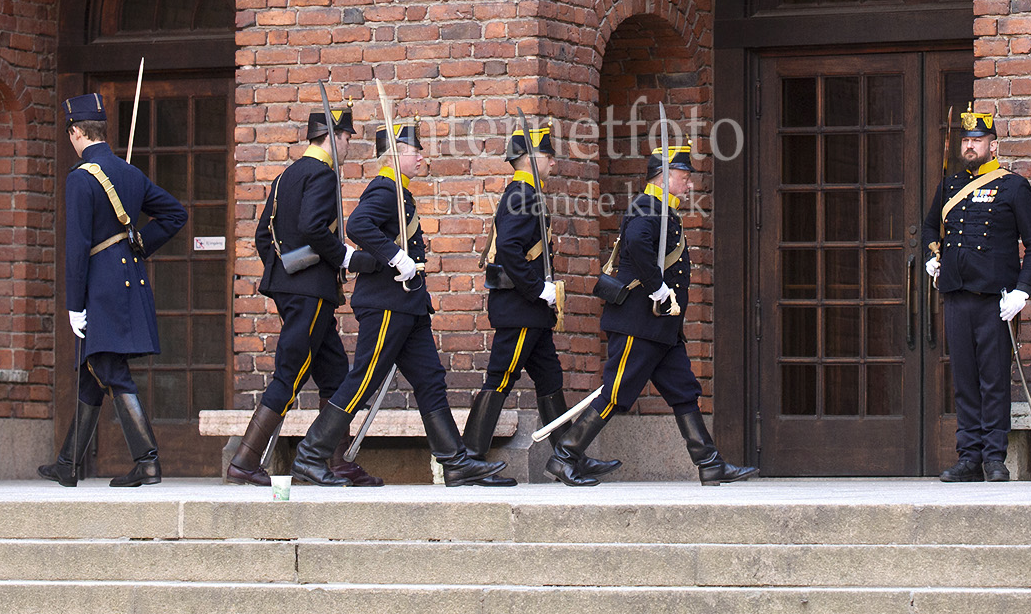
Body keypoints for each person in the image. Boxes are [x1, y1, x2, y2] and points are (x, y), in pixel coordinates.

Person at [288, 118, 513, 487]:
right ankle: (310, 456)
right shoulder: (384, 188)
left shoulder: (400, 192)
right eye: (414, 151)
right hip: (387, 303)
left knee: (430, 380)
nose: (422, 156)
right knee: (363, 380)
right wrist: (396, 256)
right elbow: (358, 225)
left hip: (408, 305)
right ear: (394, 156)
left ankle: (454, 462)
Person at [545, 144, 754, 487]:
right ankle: (565, 456)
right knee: (616, 393)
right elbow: (638, 244)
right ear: (665, 176)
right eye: (684, 177)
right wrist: (658, 289)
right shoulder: (646, 207)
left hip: (661, 328)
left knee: (683, 390)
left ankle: (709, 463)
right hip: (638, 324)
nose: (689, 186)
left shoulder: (662, 209)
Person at [226, 105, 383, 487]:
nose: (348, 146)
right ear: (332, 137)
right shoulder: (322, 174)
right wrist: (343, 256)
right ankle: (244, 461)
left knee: (333, 374)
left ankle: (333, 460)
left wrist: (284, 274)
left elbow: (265, 236)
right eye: (346, 138)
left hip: (295, 289)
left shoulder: (286, 176)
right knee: (291, 372)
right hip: (311, 292)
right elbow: (315, 227)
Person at [40, 93, 187, 488]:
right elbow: (176, 213)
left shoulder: (81, 177)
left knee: (110, 369)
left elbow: (76, 248)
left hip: (101, 289)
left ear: (75, 132)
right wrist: (142, 241)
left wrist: (73, 305)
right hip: (129, 282)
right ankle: (69, 464)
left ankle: (148, 460)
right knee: (95, 370)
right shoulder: (129, 173)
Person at [462, 124, 618, 478]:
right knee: (501, 378)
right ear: (531, 159)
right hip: (520, 309)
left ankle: (568, 456)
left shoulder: (528, 192)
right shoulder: (521, 194)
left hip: (531, 313)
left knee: (550, 380)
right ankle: (470, 457)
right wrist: (537, 290)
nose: (553, 163)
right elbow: (511, 251)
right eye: (547, 156)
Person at [920, 106, 1031, 484]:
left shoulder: (1012, 186)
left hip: (995, 299)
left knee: (993, 380)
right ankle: (969, 455)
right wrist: (932, 256)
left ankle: (994, 456)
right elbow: (929, 229)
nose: (970, 146)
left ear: (993, 144)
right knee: (965, 380)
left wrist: (1023, 290)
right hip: (957, 295)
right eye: (966, 140)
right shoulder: (950, 185)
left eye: (977, 140)